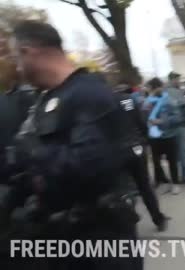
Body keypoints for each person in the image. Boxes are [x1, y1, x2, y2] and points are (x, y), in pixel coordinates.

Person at [2, 21, 141, 269]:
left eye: (17, 59)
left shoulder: (89, 94)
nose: (18, 69)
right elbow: (32, 165)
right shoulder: (47, 99)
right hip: (64, 240)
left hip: (101, 243)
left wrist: (33, 149)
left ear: (29, 51)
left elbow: (89, 166)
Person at [114, 84, 168, 231]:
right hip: (135, 146)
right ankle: (158, 218)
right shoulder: (130, 100)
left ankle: (130, 217)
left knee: (123, 187)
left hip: (117, 150)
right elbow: (141, 122)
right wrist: (144, 140)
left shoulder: (103, 103)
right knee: (144, 185)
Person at [145, 78, 183, 194]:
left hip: (168, 135)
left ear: (157, 88)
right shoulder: (147, 102)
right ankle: (164, 182)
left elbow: (177, 117)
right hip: (154, 137)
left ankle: (175, 184)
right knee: (156, 161)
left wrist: (162, 121)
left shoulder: (169, 101)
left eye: (150, 88)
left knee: (172, 161)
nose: (148, 90)